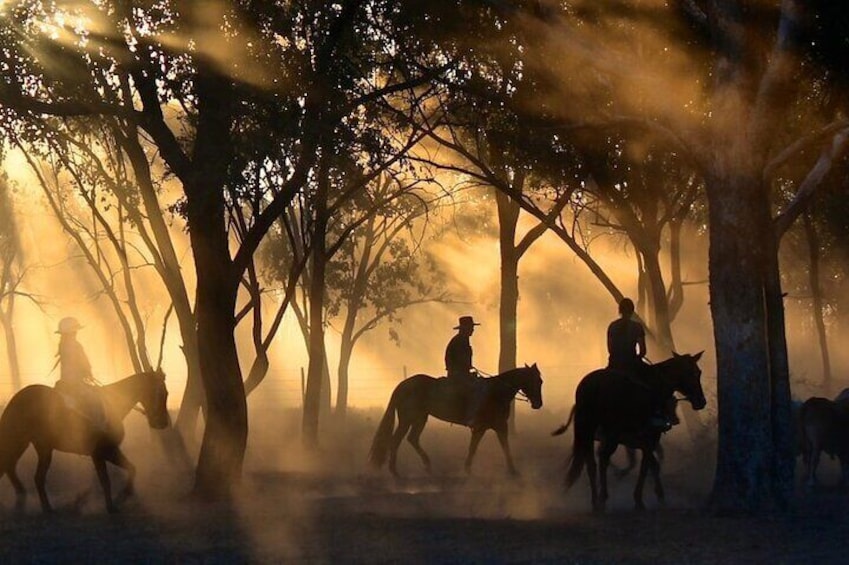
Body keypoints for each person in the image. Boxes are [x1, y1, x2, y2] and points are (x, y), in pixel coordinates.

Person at [606, 299, 669, 430]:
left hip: (614, 364)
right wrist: (638, 356)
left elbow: (610, 348)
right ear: (632, 311)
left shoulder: (612, 326)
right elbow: (643, 349)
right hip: (631, 364)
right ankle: (656, 416)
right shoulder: (637, 327)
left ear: (620, 310)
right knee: (654, 383)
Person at [54, 317, 106, 429]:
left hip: (66, 381)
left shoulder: (63, 344)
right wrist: (87, 372)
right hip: (74, 383)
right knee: (95, 400)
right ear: (71, 332)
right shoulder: (74, 345)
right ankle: (98, 427)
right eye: (75, 330)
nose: (76, 332)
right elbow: (81, 362)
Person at [445, 316, 485, 426]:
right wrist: (463, 370)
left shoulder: (462, 340)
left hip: (461, 373)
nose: (473, 330)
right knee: (477, 389)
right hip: (457, 374)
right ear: (465, 328)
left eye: (472, 327)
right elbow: (452, 360)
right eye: (471, 327)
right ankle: (470, 417)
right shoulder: (459, 341)